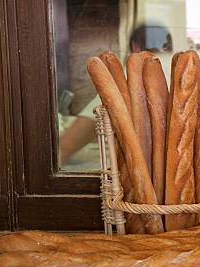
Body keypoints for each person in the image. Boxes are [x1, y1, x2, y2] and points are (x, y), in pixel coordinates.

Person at [58, 24, 173, 168]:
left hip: (133, 178)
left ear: (135, 46)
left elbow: (70, 142)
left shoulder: (132, 74)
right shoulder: (180, 72)